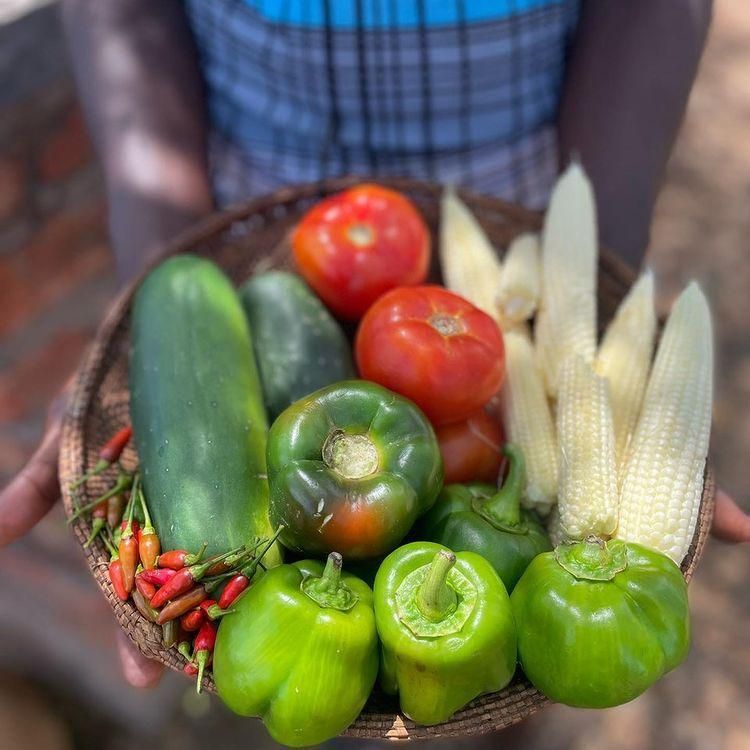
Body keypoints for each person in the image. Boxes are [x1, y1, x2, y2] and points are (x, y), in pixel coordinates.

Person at [1, 0, 748, 690]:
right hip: (260, 231)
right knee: (342, 682)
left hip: (515, 220)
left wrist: (587, 296)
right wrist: (160, 325)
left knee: (480, 681)